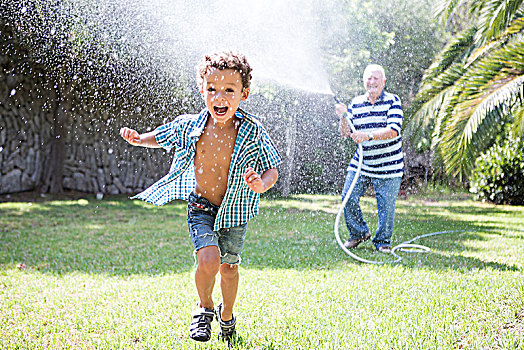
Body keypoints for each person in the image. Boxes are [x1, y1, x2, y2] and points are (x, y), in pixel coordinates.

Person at [119, 50, 281, 343]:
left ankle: (227, 314)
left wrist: (262, 184)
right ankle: (205, 308)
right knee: (208, 261)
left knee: (229, 269)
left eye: (229, 90)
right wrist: (139, 139)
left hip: (235, 210)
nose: (220, 97)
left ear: (243, 94)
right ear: (202, 90)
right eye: (212, 89)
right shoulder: (190, 125)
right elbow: (162, 135)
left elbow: (272, 168)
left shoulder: (253, 130)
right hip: (201, 205)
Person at [334, 64, 404, 253]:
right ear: (364, 81)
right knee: (348, 196)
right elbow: (345, 134)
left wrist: (369, 135)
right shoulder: (356, 103)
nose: (372, 82)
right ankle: (358, 233)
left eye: (376, 78)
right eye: (369, 78)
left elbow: (394, 130)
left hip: (389, 165)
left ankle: (382, 242)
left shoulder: (392, 101)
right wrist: (343, 117)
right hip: (362, 164)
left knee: (386, 207)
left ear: (383, 82)